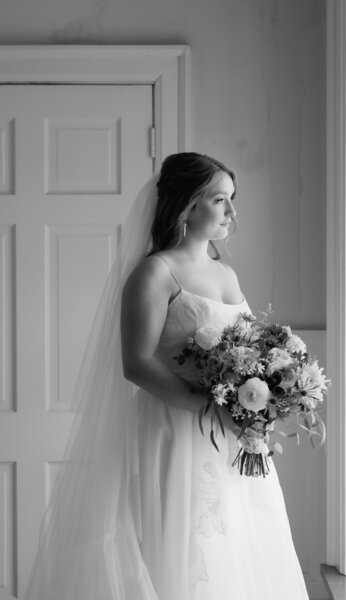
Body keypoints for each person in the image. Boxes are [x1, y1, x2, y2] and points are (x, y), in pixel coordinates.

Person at [24, 152, 309, 600]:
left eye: (232, 200)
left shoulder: (225, 272)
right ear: (187, 205)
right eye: (220, 200)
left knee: (239, 538)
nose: (232, 212)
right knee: (181, 545)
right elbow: (136, 362)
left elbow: (252, 351)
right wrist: (211, 408)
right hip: (176, 428)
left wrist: (268, 396)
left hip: (231, 434)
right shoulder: (155, 273)